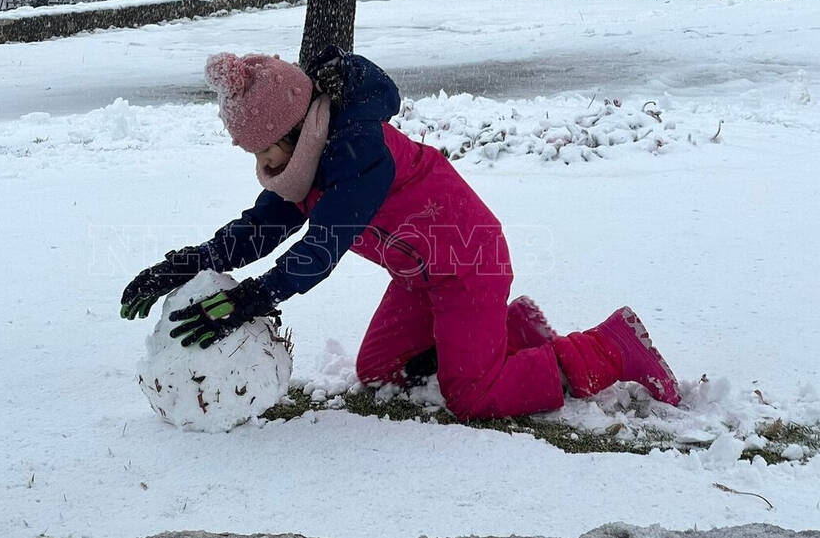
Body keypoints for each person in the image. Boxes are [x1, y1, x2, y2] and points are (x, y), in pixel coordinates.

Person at [120, 47, 681, 420]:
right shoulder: (306, 162)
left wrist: (253, 297)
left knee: (471, 396)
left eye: (267, 149)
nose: (264, 165)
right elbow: (262, 226)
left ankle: (610, 347)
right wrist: (188, 262)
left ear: (295, 129)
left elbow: (323, 246)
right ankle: (515, 331)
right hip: (420, 279)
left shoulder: (356, 152)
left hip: (469, 267)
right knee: (379, 369)